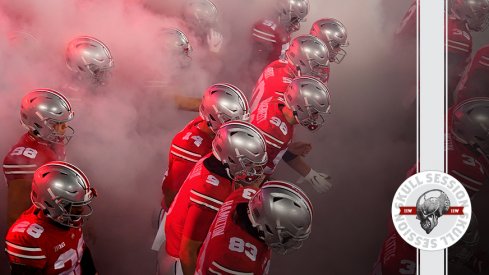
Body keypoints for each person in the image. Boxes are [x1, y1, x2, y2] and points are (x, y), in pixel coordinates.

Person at [151, 83, 249, 251]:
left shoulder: (208, 125)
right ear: (215, 119)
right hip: (181, 219)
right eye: (232, 121)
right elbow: (172, 195)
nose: (237, 129)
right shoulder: (190, 148)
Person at [162, 121, 267, 275]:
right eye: (249, 163)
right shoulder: (211, 193)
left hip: (174, 242)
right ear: (230, 159)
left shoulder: (215, 159)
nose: (255, 170)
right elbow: (188, 252)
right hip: (179, 260)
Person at [196, 180, 313, 275]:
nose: (288, 240)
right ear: (269, 224)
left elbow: (255, 191)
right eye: (286, 234)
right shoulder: (236, 261)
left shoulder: (245, 195)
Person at [5, 161, 98, 274]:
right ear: (52, 203)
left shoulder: (67, 217)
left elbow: (81, 251)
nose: (81, 209)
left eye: (81, 203)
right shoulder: (28, 238)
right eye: (75, 204)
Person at [3, 89, 74, 227]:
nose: (65, 127)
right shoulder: (24, 160)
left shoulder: (52, 142)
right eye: (58, 123)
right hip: (39, 226)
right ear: (38, 123)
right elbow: (15, 217)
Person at [251, 76, 333, 193]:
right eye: (314, 112)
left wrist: (309, 173)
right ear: (300, 106)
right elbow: (247, 174)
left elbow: (274, 150)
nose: (315, 118)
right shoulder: (274, 134)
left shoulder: (280, 103)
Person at [249, 34, 329, 112]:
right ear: (301, 62)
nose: (318, 70)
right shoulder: (288, 88)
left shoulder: (278, 64)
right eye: (315, 66)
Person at [250, 0, 309, 71]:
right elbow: (257, 64)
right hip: (262, 74)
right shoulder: (269, 30)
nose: (296, 24)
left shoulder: (278, 29)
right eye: (294, 19)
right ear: (284, 13)